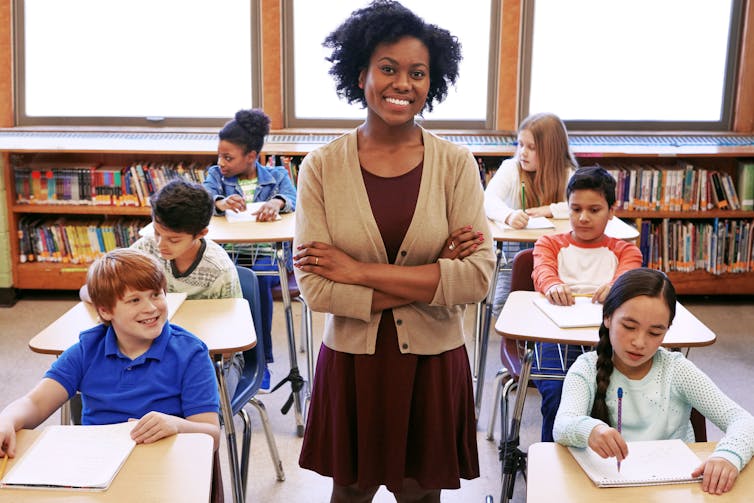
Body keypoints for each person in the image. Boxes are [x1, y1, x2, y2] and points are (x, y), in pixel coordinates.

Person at [292, 2, 494, 501]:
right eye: (388, 68)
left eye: (418, 73)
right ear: (361, 74)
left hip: (433, 360)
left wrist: (357, 271)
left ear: (433, 82)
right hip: (354, 361)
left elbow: (477, 279)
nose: (403, 83)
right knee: (351, 492)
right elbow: (317, 289)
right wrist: (433, 276)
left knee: (421, 494)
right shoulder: (320, 167)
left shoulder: (456, 164)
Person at [0, 248, 221, 457]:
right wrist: (7, 419)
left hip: (167, 462)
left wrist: (177, 425)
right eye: (135, 300)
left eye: (156, 294)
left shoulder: (190, 353)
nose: (152, 308)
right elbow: (35, 403)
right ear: (105, 311)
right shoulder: (88, 349)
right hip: (99, 462)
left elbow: (211, 434)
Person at [554, 268, 754, 495]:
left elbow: (744, 421)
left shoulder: (676, 370)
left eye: (655, 333)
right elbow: (562, 425)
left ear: (667, 331)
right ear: (607, 317)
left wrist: (729, 456)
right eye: (629, 326)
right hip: (609, 489)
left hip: (673, 489)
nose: (639, 342)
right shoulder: (586, 368)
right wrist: (591, 430)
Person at [80, 179, 245, 395]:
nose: (160, 244)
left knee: (198, 408)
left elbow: (232, 339)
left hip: (211, 356)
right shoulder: (145, 248)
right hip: (149, 347)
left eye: (173, 240)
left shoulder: (219, 269)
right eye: (157, 233)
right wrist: (100, 294)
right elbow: (93, 290)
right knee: (95, 385)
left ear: (201, 234)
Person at [532, 165, 643, 442]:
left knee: (619, 398)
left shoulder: (625, 250)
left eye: (594, 210)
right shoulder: (549, 243)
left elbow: (628, 275)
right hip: (556, 338)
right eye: (575, 209)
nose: (583, 218)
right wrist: (553, 285)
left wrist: (616, 288)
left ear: (611, 211)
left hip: (607, 340)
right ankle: (555, 466)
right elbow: (542, 271)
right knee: (557, 395)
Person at [203, 108, 297, 392]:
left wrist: (277, 203)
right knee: (226, 294)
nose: (221, 163)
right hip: (227, 257)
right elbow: (204, 195)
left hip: (267, 258)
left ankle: (260, 361)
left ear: (252, 157)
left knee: (257, 287)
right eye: (219, 156)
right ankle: (224, 357)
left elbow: (292, 197)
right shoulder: (217, 176)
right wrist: (219, 202)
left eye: (228, 157)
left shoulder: (277, 176)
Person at [483, 112, 577, 316]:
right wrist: (508, 215)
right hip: (514, 251)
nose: (523, 153)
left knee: (551, 304)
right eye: (520, 144)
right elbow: (487, 199)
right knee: (502, 305)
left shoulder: (567, 173)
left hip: (556, 255)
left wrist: (550, 209)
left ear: (551, 151)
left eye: (531, 148)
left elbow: (578, 206)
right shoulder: (511, 168)